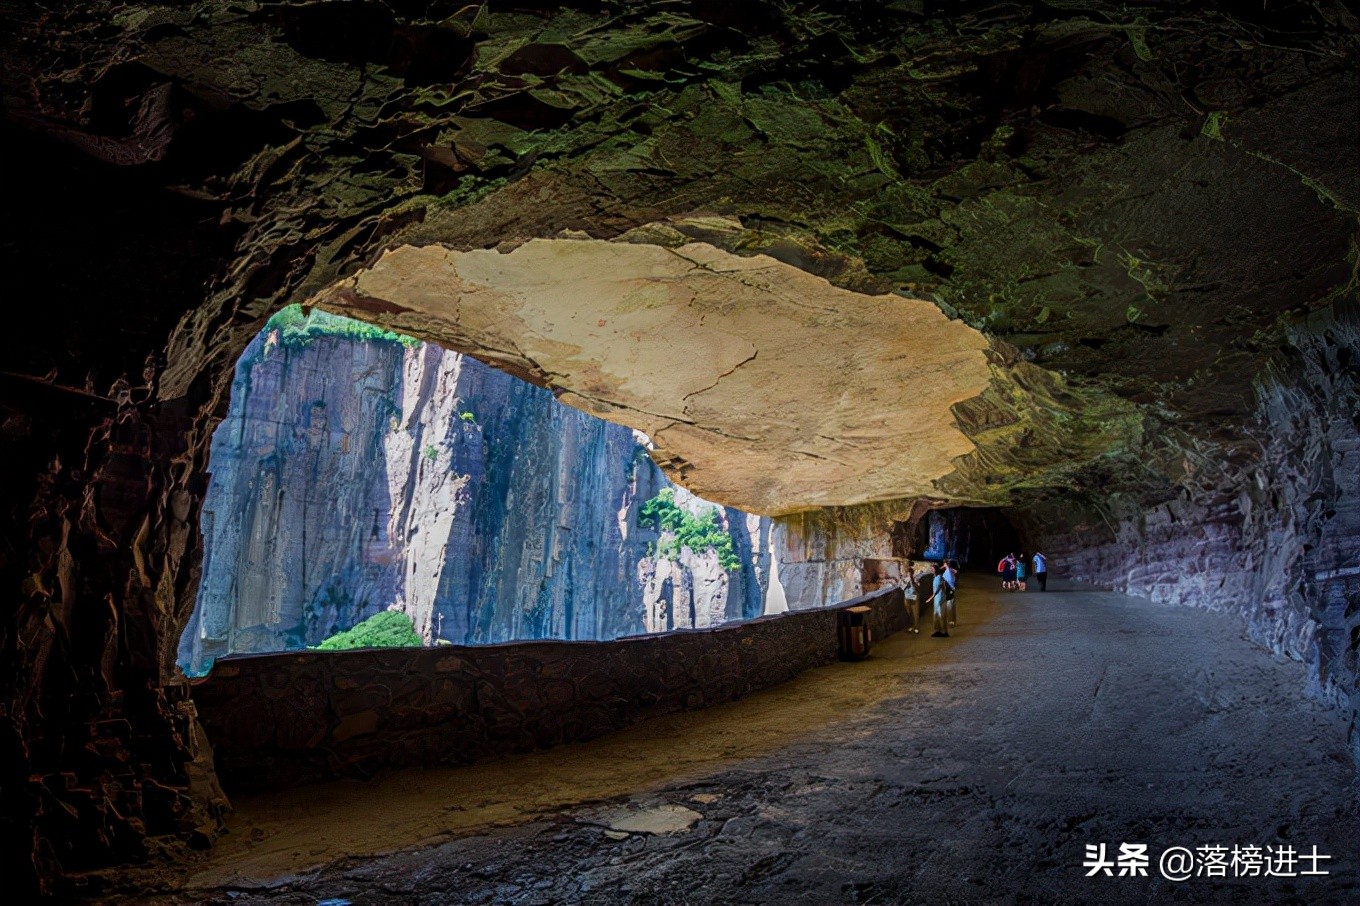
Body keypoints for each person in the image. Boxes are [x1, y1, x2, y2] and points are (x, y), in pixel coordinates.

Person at [930, 562, 950, 637]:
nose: (931, 570)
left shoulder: (940, 577)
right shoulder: (935, 577)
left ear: (936, 570)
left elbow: (941, 588)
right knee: (936, 615)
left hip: (941, 599)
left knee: (941, 615)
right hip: (936, 600)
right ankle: (937, 630)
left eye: (932, 569)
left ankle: (944, 632)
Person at [943, 559, 959, 627]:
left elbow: (949, 580)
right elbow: (955, 571)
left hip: (949, 590)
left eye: (944, 564)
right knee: (952, 606)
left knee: (950, 607)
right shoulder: (950, 571)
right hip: (951, 590)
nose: (943, 565)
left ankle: (951, 622)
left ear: (946, 564)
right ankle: (953, 621)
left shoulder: (948, 571)